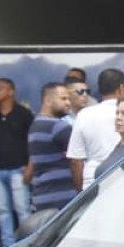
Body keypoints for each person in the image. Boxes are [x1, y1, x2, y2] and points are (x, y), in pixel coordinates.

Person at [0, 76, 34, 247]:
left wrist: (29, 168)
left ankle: (27, 246)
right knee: (3, 210)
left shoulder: (24, 114)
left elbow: (33, 142)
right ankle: (8, 246)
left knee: (22, 209)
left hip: (18, 169)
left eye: (0, 88)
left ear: (10, 92)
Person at [67, 67, 124, 191]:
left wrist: (80, 193)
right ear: (121, 88)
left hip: (92, 181)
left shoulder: (84, 114)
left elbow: (76, 161)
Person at [28, 81, 77, 214]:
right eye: (63, 98)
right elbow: (77, 160)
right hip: (64, 199)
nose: (68, 103)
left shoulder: (36, 125)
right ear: (48, 100)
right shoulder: (58, 127)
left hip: (42, 197)